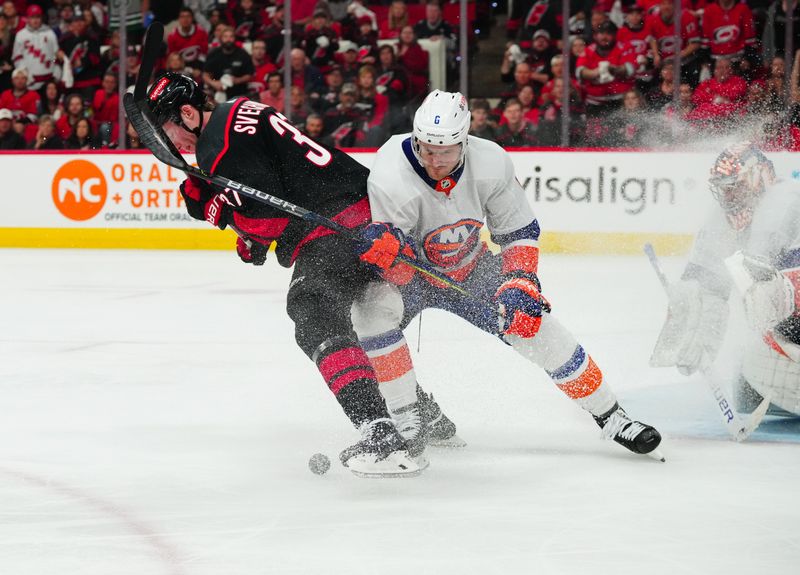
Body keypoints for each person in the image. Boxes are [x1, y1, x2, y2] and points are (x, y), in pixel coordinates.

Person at [141, 71, 438, 477]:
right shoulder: (239, 111)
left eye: (169, 130)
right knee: (361, 316)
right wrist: (237, 217)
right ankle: (421, 410)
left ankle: (381, 432)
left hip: (337, 225)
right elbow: (274, 187)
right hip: (365, 211)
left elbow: (269, 218)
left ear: (189, 113)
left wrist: (224, 212)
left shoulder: (218, 146)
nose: (173, 144)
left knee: (312, 308)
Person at [350, 90, 664, 460]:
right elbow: (397, 266)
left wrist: (521, 281)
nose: (434, 161)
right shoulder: (391, 170)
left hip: (470, 267)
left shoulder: (491, 162)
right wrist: (388, 257)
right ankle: (410, 419)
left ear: (464, 142)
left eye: (446, 151)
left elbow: (519, 232)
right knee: (368, 314)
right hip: (414, 277)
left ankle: (612, 416)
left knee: (538, 327)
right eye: (426, 149)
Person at [650, 143, 800, 420]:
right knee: (748, 395)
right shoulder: (723, 219)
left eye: (734, 186)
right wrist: (697, 336)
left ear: (756, 178)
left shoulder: (790, 202)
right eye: (724, 187)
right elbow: (707, 286)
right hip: (781, 327)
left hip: (794, 311)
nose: (727, 195)